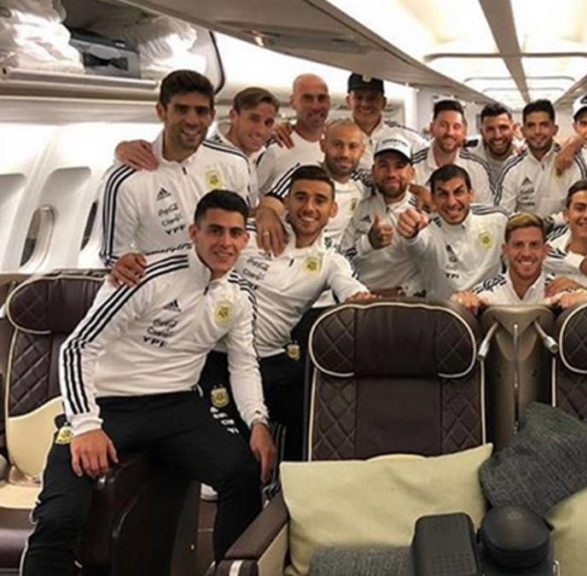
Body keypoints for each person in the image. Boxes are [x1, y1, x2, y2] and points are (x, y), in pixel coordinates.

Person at [21, 191, 276, 575]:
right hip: (109, 405)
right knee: (59, 515)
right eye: (215, 231)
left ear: (246, 239)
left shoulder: (238, 295)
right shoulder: (145, 276)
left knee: (241, 472)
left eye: (235, 233)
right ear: (193, 232)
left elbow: (243, 363)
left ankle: (231, 569)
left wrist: (258, 421)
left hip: (177, 406)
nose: (225, 242)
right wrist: (86, 425)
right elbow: (77, 347)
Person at [203, 166, 371, 462]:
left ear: (332, 210)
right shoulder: (248, 235)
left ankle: (289, 481)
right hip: (218, 356)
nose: (309, 208)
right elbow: (198, 252)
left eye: (319, 200)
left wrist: (360, 299)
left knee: (319, 412)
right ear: (287, 202)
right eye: (301, 197)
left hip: (272, 359)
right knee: (235, 455)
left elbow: (351, 289)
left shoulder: (331, 261)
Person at [100, 70, 252, 270]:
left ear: (212, 116)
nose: (192, 120)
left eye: (201, 111)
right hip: (164, 285)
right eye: (181, 109)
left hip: (224, 281)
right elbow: (113, 256)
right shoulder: (127, 181)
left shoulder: (234, 162)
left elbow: (243, 228)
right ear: (161, 111)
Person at [115, 86, 278, 209]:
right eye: (253, 119)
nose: (261, 130)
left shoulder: (268, 153)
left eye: (268, 123)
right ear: (233, 116)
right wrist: (120, 150)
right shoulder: (202, 155)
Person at [258, 119, 371, 252]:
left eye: (352, 146)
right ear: (322, 146)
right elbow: (270, 205)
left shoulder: (362, 184)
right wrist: (267, 214)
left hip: (329, 260)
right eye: (337, 145)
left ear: (362, 151)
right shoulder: (302, 175)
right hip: (288, 253)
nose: (344, 154)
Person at [396, 164, 507, 299]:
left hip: (488, 306)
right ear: (433, 199)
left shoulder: (498, 221)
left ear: (471, 195)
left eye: (458, 192)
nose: (451, 202)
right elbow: (416, 244)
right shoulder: (427, 228)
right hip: (443, 309)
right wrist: (411, 234)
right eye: (443, 194)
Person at [451, 213, 587, 312]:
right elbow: (462, 305)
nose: (526, 254)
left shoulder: (562, 293)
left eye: (534, 245)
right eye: (518, 245)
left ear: (545, 251)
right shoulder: (485, 293)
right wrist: (460, 303)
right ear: (505, 250)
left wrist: (585, 300)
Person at [339, 133, 424, 296]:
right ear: (373, 171)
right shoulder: (360, 207)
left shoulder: (423, 211)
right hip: (361, 298)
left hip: (406, 300)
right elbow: (341, 258)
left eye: (399, 166)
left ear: (411, 173)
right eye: (384, 165)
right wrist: (368, 242)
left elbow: (434, 266)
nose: (391, 173)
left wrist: (404, 291)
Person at [495, 99, 587, 218]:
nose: (537, 131)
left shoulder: (573, 163)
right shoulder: (511, 168)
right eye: (531, 126)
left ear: (555, 129)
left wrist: (552, 222)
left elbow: (582, 208)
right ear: (523, 131)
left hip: (565, 229)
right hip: (523, 229)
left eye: (544, 125)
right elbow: (503, 214)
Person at [255, 74, 331, 193]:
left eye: (322, 98)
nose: (316, 106)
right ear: (293, 102)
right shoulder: (277, 146)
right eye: (307, 98)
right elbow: (253, 194)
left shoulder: (338, 146)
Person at [411, 100, 494, 204]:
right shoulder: (413, 164)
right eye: (443, 125)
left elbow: (486, 208)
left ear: (464, 131)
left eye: (456, 127)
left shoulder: (477, 167)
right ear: (432, 128)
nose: (450, 132)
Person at [345, 73, 426, 171]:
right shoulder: (334, 136)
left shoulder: (409, 138)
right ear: (348, 101)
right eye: (359, 97)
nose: (365, 104)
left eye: (372, 98)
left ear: (384, 102)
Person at [477, 103, 520, 187]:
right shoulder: (470, 163)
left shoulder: (526, 158)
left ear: (514, 128)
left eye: (503, 128)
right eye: (490, 129)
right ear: (482, 132)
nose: (497, 136)